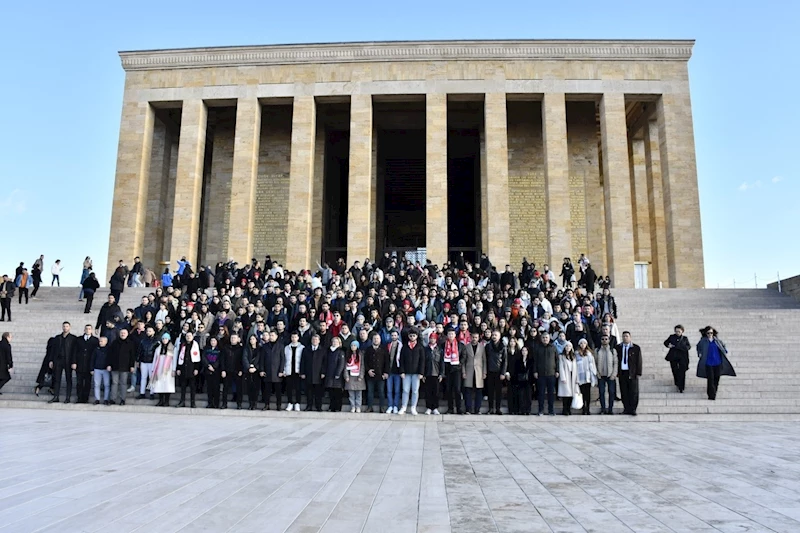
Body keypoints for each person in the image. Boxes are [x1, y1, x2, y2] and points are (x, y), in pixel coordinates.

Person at [696, 326, 735, 400]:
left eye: (711, 332)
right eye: (708, 333)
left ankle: (714, 392)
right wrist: (700, 353)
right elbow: (698, 347)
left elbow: (723, 346)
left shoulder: (717, 341)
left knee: (716, 378)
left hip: (718, 362)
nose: (710, 334)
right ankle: (711, 395)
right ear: (706, 333)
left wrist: (725, 351)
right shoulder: (703, 341)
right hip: (708, 363)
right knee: (710, 379)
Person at [48, 322, 78, 403]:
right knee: (57, 379)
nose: (65, 328)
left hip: (68, 361)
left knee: (69, 379)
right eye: (64, 326)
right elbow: (53, 350)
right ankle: (56, 396)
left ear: (70, 327)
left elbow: (75, 351)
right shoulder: (57, 338)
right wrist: (51, 360)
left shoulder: (73, 338)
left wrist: (74, 362)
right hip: (58, 360)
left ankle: (68, 397)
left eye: (67, 326)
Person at [616, 331, 642, 416]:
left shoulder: (636, 348)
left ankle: (633, 409)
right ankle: (626, 408)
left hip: (632, 372)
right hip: (622, 372)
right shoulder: (618, 347)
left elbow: (639, 361)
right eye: (623, 336)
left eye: (627, 336)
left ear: (630, 337)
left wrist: (638, 372)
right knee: (624, 391)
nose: (625, 338)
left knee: (633, 391)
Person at [399, 328, 424, 415]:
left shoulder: (420, 347)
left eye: (414, 336)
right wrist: (401, 371)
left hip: (416, 373)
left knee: (415, 390)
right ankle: (404, 406)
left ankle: (413, 407)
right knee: (405, 390)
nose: (412, 337)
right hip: (406, 373)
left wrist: (421, 372)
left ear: (417, 336)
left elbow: (422, 360)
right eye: (410, 336)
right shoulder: (405, 346)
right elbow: (401, 360)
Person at [533, 331, 558, 416]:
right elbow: (535, 361)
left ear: (549, 338)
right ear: (541, 339)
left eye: (546, 338)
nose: (545, 339)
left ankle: (551, 410)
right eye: (543, 338)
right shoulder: (537, 348)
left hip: (551, 374)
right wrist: (535, 371)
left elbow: (557, 360)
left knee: (551, 394)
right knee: (541, 393)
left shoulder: (553, 347)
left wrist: (557, 371)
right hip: (541, 374)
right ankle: (541, 410)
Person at [364, 331, 388, 413]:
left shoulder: (384, 349)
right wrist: (368, 370)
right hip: (370, 374)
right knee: (370, 392)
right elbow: (365, 362)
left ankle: (382, 407)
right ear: (372, 340)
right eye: (374, 339)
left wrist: (386, 372)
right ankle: (369, 407)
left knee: (381, 392)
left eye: (377, 338)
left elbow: (387, 362)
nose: (376, 340)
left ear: (380, 340)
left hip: (381, 374)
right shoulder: (368, 349)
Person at [441, 327, 465, 414]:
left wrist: (459, 364)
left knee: (457, 390)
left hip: (457, 369)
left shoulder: (460, 344)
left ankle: (459, 408)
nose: (451, 335)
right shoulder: (444, 344)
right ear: (447, 335)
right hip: (448, 369)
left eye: (452, 334)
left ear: (455, 335)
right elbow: (441, 357)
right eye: (449, 334)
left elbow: (463, 356)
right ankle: (450, 408)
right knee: (449, 389)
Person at [175, 330, 201, 408]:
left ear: (192, 337)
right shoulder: (183, 345)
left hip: (192, 368)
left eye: (190, 336)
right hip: (183, 368)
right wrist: (178, 368)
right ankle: (182, 401)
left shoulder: (195, 345)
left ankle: (192, 402)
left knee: (192, 387)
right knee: (183, 387)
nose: (188, 337)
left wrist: (196, 369)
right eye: (187, 336)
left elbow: (197, 358)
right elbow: (179, 356)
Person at [462, 331, 486, 415]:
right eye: (473, 337)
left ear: (478, 338)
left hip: (479, 371)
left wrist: (484, 372)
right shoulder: (466, 347)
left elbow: (484, 360)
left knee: (478, 391)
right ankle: (468, 409)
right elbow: (463, 361)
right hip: (469, 371)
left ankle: (477, 409)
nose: (474, 339)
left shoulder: (482, 347)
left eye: (476, 337)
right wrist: (463, 371)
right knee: (468, 391)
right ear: (470, 337)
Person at [484, 330, 507, 415]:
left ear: (499, 336)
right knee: (490, 391)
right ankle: (490, 408)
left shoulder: (503, 346)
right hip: (490, 371)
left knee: (498, 392)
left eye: (496, 335)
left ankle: (498, 408)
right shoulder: (488, 346)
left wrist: (503, 373)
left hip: (499, 371)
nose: (494, 336)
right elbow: (485, 359)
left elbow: (505, 361)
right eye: (493, 335)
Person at [74, 325, 99, 403]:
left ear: (91, 330)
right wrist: (74, 362)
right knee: (79, 383)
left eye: (89, 329)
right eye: (86, 329)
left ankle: (85, 398)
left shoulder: (95, 340)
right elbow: (74, 352)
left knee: (87, 383)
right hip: (80, 364)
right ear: (84, 330)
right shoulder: (78, 339)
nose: (88, 330)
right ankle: (79, 398)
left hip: (89, 365)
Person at [150, 332, 176, 406]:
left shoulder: (172, 348)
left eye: (166, 338)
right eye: (163, 338)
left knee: (167, 385)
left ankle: (167, 401)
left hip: (168, 369)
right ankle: (161, 400)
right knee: (159, 385)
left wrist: (173, 369)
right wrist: (153, 369)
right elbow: (155, 358)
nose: (164, 340)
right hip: (159, 368)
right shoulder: (158, 348)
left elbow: (174, 359)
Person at [302, 333, 326, 411]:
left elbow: (324, 362)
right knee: (309, 392)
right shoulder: (306, 349)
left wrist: (323, 372)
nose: (314, 341)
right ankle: (309, 406)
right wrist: (302, 372)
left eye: (316, 340)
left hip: (318, 374)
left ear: (319, 341)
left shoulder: (322, 350)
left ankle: (318, 406)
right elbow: (302, 362)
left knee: (318, 392)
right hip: (308, 373)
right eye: (313, 339)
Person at [664, 325, 691, 393]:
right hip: (673, 356)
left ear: (682, 331)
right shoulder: (672, 337)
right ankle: (677, 382)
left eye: (679, 331)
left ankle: (681, 387)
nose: (677, 332)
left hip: (682, 357)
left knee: (682, 371)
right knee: (675, 370)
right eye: (676, 331)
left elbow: (688, 346)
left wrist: (678, 347)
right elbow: (666, 342)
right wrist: (668, 345)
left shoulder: (685, 338)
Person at [595, 333, 618, 414]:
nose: (604, 341)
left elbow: (615, 363)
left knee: (611, 392)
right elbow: (595, 363)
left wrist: (614, 374)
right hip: (601, 375)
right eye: (603, 339)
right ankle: (603, 408)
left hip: (610, 375)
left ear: (609, 340)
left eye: (606, 339)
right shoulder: (597, 350)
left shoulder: (612, 351)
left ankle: (610, 409)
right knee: (601, 392)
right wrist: (597, 373)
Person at [282, 331, 305, 411]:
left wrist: (302, 371)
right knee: (289, 388)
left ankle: (297, 403)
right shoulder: (287, 348)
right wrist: (284, 370)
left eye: (295, 337)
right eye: (292, 337)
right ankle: (290, 403)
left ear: (298, 338)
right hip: (289, 370)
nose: (294, 339)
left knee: (298, 388)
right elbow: (284, 360)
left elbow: (303, 361)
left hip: (298, 371)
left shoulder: (302, 347)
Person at [508, 343, 533, 415]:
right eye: (523, 350)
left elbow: (532, 370)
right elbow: (516, 370)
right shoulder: (518, 360)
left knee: (528, 396)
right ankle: (522, 410)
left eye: (525, 350)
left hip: (528, 380)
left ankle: (528, 410)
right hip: (520, 380)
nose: (524, 352)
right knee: (521, 396)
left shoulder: (531, 360)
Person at [575, 339, 598, 415]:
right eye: (581, 343)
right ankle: (583, 408)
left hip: (588, 376)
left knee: (587, 393)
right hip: (580, 376)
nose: (582, 345)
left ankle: (587, 408)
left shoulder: (589, 354)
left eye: (584, 343)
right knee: (582, 393)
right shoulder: (576, 354)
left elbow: (593, 365)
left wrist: (594, 375)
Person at [423, 334, 443, 415]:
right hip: (427, 373)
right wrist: (423, 374)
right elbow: (423, 362)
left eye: (434, 338)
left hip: (436, 373)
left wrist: (441, 374)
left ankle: (435, 407)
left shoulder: (440, 350)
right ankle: (428, 407)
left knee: (436, 392)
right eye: (431, 338)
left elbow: (442, 363)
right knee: (428, 392)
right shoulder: (425, 349)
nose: (432, 340)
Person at [324, 336, 345, 412]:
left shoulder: (340, 352)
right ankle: (331, 407)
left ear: (339, 343)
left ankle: (338, 407)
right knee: (331, 392)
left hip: (337, 376)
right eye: (333, 342)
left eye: (336, 342)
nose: (334, 343)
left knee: (338, 392)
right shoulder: (328, 351)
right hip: (329, 374)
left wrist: (338, 373)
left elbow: (341, 364)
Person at [136, 325, 158, 399]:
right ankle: (142, 393)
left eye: (150, 331)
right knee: (143, 377)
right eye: (147, 331)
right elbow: (139, 351)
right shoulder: (143, 341)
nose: (148, 332)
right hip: (143, 361)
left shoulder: (156, 341)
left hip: (152, 361)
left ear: (154, 332)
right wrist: (138, 360)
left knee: (151, 378)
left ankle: (152, 393)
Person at [557, 341, 579, 415]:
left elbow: (576, 368)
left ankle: (569, 409)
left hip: (572, 376)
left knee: (570, 395)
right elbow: (561, 367)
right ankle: (565, 409)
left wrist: (577, 379)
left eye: (569, 346)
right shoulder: (561, 356)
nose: (568, 348)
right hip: (566, 376)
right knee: (565, 395)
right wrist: (563, 377)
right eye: (566, 346)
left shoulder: (573, 357)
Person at [344, 340, 366, 412]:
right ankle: (352, 406)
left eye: (354, 345)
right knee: (351, 393)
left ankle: (358, 406)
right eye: (352, 345)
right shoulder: (348, 354)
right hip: (350, 376)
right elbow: (345, 366)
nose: (353, 347)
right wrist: (346, 376)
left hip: (358, 375)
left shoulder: (360, 355)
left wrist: (361, 376)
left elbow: (362, 365)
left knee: (359, 393)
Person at [201, 337, 222, 408]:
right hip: (208, 370)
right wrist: (208, 366)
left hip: (216, 371)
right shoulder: (206, 349)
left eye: (214, 341)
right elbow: (203, 358)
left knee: (216, 388)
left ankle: (216, 403)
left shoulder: (219, 350)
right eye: (211, 341)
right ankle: (210, 403)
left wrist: (214, 367)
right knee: (209, 388)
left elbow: (220, 359)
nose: (213, 342)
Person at [90, 336, 111, 405]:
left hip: (106, 369)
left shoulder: (109, 349)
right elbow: (92, 359)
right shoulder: (96, 349)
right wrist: (91, 368)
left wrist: (109, 365)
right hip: (97, 369)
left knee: (107, 385)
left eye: (102, 341)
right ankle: (97, 399)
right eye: (99, 341)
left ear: (106, 342)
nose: (100, 342)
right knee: (97, 385)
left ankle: (106, 399)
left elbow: (111, 358)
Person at [386, 330, 403, 414]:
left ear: (398, 336)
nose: (393, 337)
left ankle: (395, 406)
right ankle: (390, 406)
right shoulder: (388, 345)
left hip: (398, 371)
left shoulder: (401, 346)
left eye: (395, 335)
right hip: (389, 371)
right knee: (389, 390)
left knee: (397, 390)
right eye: (392, 335)